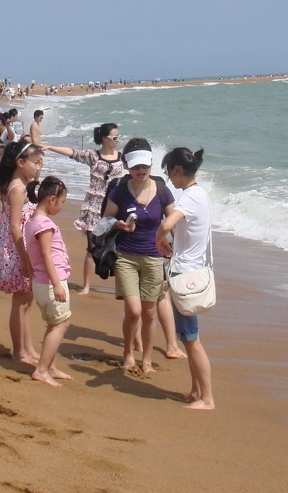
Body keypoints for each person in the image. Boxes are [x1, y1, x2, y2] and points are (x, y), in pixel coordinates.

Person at [103, 138, 176, 373]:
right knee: (133, 311)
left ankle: (145, 359)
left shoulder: (163, 191)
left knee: (149, 311)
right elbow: (105, 220)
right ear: (127, 166)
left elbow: (174, 222)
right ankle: (127, 353)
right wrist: (119, 225)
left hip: (154, 257)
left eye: (144, 166)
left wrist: (182, 247)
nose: (140, 171)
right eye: (135, 166)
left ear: (151, 164)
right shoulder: (120, 190)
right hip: (125, 256)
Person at [32, 121, 126, 294]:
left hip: (113, 207)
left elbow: (137, 169)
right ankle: (86, 286)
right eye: (114, 137)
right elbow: (72, 152)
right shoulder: (93, 156)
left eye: (119, 137)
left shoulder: (122, 158)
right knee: (91, 248)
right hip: (94, 208)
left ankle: (121, 288)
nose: (118, 140)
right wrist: (50, 147)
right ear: (105, 139)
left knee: (115, 247)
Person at [156, 147, 215, 409]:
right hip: (192, 270)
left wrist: (160, 238)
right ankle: (195, 391)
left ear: (178, 170)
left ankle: (207, 398)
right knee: (188, 339)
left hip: (186, 275)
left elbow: (168, 224)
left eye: (169, 173)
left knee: (192, 341)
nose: (170, 178)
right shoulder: (199, 194)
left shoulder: (189, 197)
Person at [0, 141, 44, 364]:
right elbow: (14, 225)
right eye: (36, 162)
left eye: (41, 162)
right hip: (16, 249)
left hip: (22, 247)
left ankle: (28, 348)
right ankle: (18, 351)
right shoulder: (17, 188)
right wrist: (24, 259)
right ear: (20, 163)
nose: (39, 167)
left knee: (27, 301)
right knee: (20, 302)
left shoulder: (22, 185)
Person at [23, 176, 73, 386]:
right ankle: (42, 370)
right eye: (62, 202)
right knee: (61, 324)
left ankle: (49, 366)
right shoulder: (44, 224)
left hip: (41, 282)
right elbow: (46, 255)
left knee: (54, 323)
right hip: (50, 282)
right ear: (52, 200)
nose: (61, 206)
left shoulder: (32, 221)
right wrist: (57, 284)